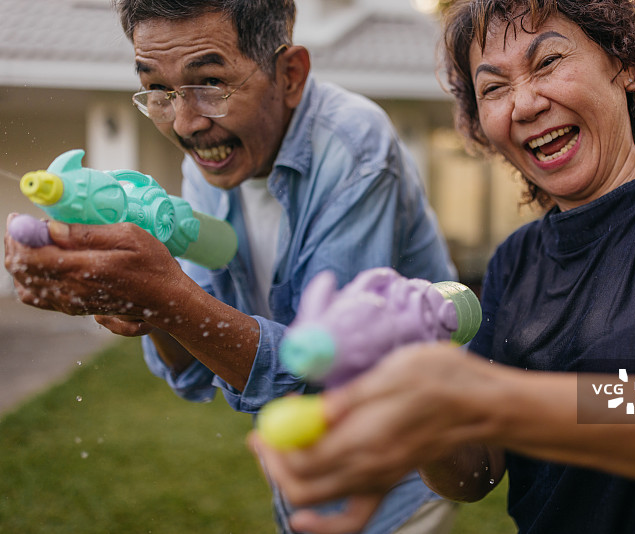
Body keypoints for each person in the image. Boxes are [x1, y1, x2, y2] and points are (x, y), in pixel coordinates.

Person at [249, 0, 635, 533]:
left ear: (624, 63)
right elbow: (476, 473)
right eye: (493, 88)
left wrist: (487, 397)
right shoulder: (515, 262)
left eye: (548, 62)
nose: (525, 103)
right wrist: (417, 399)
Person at [4, 0, 460, 532]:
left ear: (289, 75)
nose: (185, 122)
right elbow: (198, 370)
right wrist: (148, 308)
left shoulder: (355, 150)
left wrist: (166, 297)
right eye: (158, 90)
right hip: (302, 478)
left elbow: (325, 368)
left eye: (210, 84)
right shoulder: (211, 162)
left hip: (403, 476)